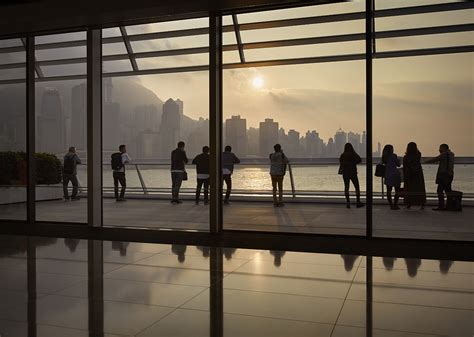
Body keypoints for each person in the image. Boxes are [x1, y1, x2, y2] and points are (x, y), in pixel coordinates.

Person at [425, 144, 455, 211]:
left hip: (443, 175)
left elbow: (435, 159)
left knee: (439, 191)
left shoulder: (444, 154)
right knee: (448, 191)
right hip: (450, 175)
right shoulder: (452, 154)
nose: (439, 149)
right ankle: (449, 206)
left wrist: (425, 161)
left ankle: (441, 206)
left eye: (440, 148)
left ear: (444, 148)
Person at [339, 143, 364, 208]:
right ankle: (358, 202)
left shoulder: (343, 155)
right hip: (353, 173)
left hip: (345, 173)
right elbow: (359, 160)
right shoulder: (353, 154)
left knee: (346, 187)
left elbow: (341, 163)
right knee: (357, 187)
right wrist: (353, 163)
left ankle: (348, 203)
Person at [403, 142, 426, 210]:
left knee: (409, 189)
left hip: (409, 175)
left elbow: (405, 166)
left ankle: (409, 204)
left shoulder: (406, 157)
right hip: (418, 174)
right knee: (419, 189)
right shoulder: (418, 155)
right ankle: (422, 203)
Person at [382, 144, 402, 210]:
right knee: (397, 191)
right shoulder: (394, 155)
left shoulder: (384, 157)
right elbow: (398, 165)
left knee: (388, 191)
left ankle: (391, 205)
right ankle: (395, 204)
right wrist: (399, 161)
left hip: (388, 175)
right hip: (395, 175)